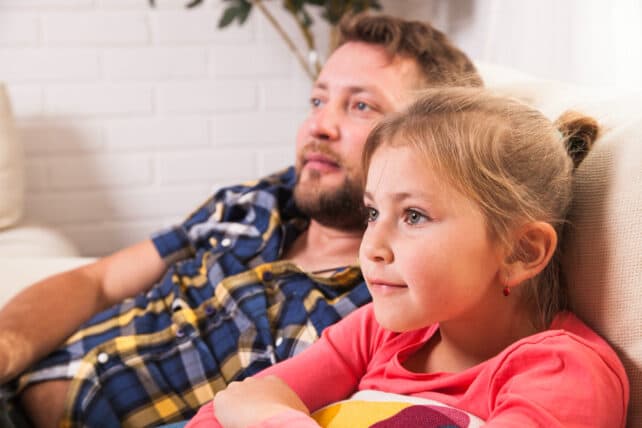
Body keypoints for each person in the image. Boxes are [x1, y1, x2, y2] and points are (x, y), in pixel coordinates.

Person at [0, 13, 483, 428]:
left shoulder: (386, 303)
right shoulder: (254, 203)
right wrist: (8, 346)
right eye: (318, 100)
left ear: (425, 139)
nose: (319, 125)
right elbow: (98, 280)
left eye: (361, 105)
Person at [187, 87, 630, 428]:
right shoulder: (378, 333)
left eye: (414, 215)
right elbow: (221, 412)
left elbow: (255, 408)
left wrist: (274, 417)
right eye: (373, 212)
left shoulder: (562, 374)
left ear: (521, 251)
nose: (371, 245)